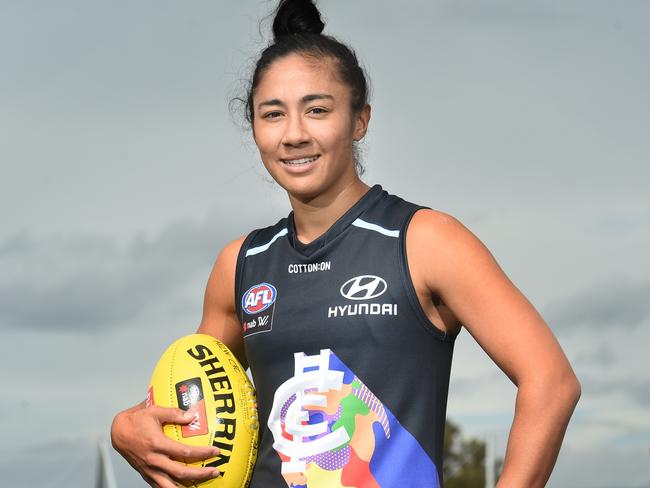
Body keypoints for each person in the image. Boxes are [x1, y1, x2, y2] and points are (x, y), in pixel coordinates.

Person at [111, 1, 581, 486]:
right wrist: (126, 428)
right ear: (253, 127)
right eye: (273, 114)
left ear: (359, 120)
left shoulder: (425, 241)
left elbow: (551, 383)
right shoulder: (241, 265)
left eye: (317, 110)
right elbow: (191, 413)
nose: (294, 134)